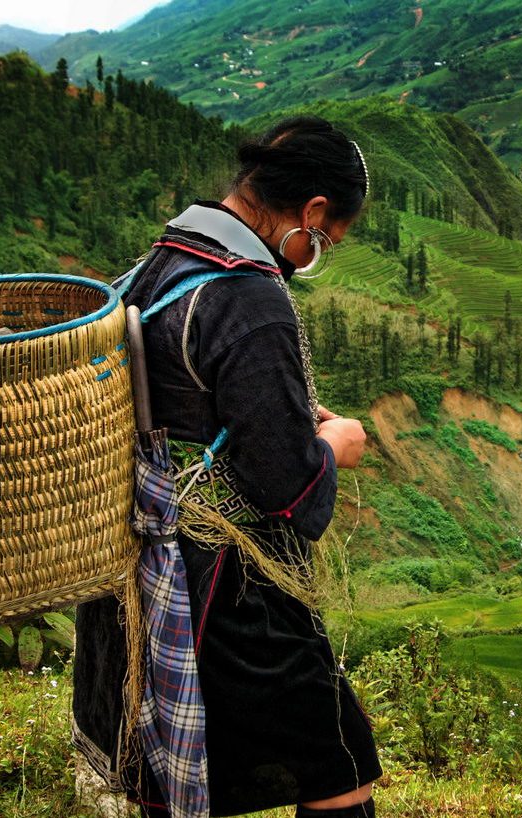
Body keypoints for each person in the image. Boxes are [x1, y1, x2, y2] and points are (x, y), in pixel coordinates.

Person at [72, 116, 381, 818]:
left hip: (149, 568)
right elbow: (287, 487)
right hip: (227, 586)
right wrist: (339, 444)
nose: (317, 253)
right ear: (312, 213)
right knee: (339, 758)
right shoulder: (250, 297)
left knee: (187, 760)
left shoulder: (169, 257)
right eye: (327, 240)